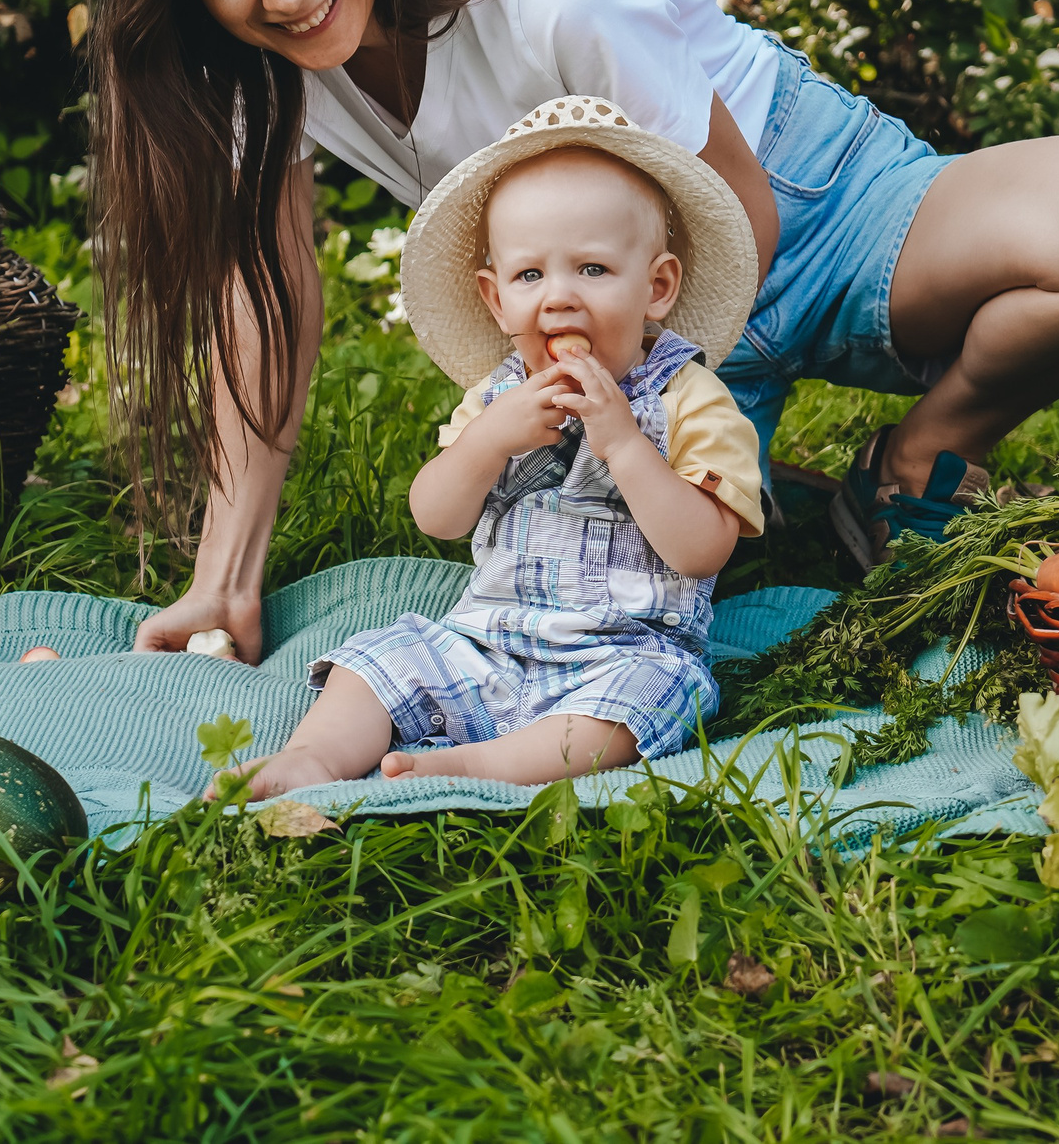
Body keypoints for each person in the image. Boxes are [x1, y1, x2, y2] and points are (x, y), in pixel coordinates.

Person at [89, 0, 1059, 665]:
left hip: (792, 200)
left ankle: (917, 458)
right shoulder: (241, 62)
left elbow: (739, 204)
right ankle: (783, 486)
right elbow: (263, 299)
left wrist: (669, 425)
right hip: (607, 302)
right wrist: (223, 578)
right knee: (599, 612)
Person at [222, 101, 762, 796]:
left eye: (593, 269)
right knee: (377, 662)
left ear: (657, 286)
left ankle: (473, 766)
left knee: (651, 700)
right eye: (530, 275)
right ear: (497, 298)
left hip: (622, 653)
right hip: (486, 642)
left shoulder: (690, 398)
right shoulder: (495, 398)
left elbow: (703, 549)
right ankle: (312, 758)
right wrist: (487, 442)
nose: (559, 297)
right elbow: (435, 515)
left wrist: (626, 444)